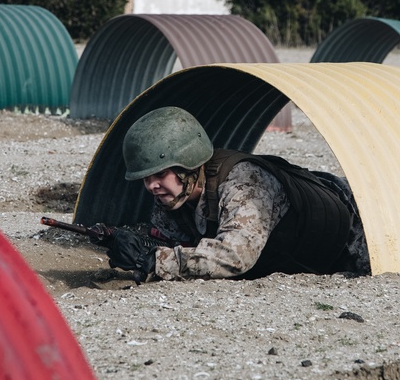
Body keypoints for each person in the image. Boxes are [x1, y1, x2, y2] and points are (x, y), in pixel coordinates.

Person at [102, 106, 372, 282]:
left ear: (188, 165)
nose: (151, 186)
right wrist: (135, 246)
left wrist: (156, 261)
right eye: (146, 179)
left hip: (360, 220)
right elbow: (179, 246)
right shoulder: (172, 199)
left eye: (160, 175)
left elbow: (235, 256)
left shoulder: (245, 183)